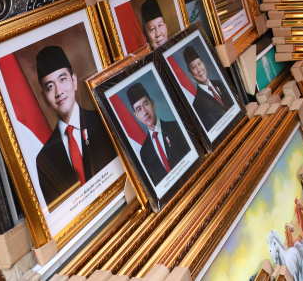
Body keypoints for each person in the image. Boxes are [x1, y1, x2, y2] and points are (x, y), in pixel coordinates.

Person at [35, 46, 117, 207]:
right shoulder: (44, 159)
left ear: (74, 81)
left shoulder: (104, 120)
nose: (59, 91)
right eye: (50, 86)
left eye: (62, 79)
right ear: (44, 98)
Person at [128, 82, 190, 186]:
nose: (145, 112)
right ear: (137, 116)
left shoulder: (177, 127)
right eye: (139, 109)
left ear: (153, 104)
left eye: (146, 104)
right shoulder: (144, 153)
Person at [182, 45, 235, 132]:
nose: (199, 70)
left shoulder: (220, 84)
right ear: (190, 74)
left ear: (203, 63)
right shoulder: (197, 104)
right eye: (194, 67)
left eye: (199, 64)